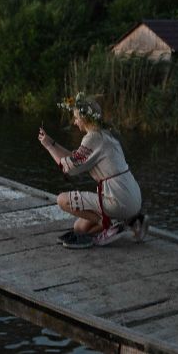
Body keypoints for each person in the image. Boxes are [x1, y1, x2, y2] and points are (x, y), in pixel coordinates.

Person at [38, 92, 147, 249]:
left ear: (84, 118)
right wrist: (51, 142)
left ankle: (114, 224)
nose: (75, 122)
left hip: (117, 198)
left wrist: (48, 147)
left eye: (76, 118)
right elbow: (75, 158)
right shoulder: (105, 134)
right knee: (80, 229)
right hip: (131, 196)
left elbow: (69, 168)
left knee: (62, 200)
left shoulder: (93, 138)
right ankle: (130, 222)